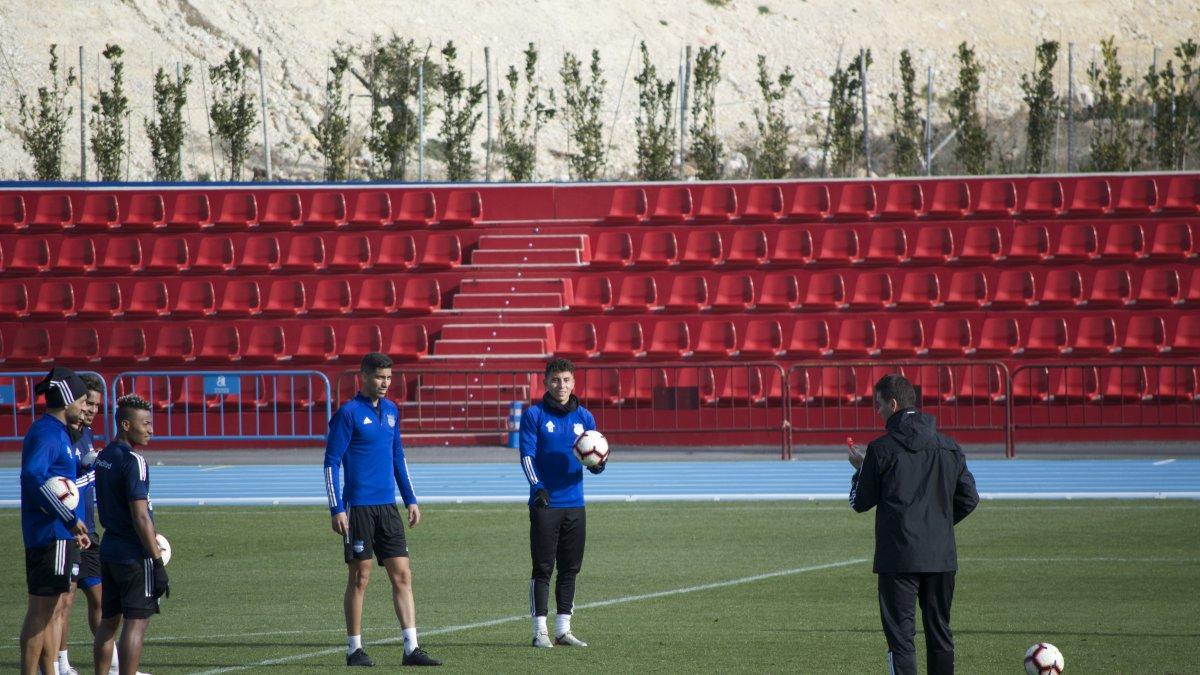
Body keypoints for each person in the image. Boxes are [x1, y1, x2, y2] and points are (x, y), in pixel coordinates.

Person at [848, 374, 979, 675]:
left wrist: (859, 470)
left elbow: (859, 502)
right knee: (940, 632)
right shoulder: (949, 446)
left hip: (899, 557)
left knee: (901, 640)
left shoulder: (880, 450)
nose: (877, 411)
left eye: (878, 404)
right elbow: (969, 498)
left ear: (892, 404)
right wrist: (939, 524)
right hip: (940, 555)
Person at [324, 352, 441, 667]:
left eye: (388, 378)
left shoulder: (391, 411)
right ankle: (354, 649)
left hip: (387, 508)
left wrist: (410, 499)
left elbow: (398, 456)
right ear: (363, 376)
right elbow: (331, 462)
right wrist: (336, 507)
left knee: (403, 574)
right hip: (358, 507)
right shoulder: (347, 414)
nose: (385, 383)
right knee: (360, 577)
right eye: (379, 377)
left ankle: (411, 648)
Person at [519, 358, 605, 649]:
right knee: (543, 567)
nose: (561, 386)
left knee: (570, 567)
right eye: (556, 380)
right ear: (545, 382)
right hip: (545, 505)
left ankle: (562, 629)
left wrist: (596, 466)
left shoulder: (586, 418)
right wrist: (538, 487)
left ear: (574, 383)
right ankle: (539, 631)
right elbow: (527, 456)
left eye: (566, 380)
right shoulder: (534, 415)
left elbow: (594, 454)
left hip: (575, 504)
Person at [20, 367, 92, 675]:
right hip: (51, 533)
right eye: (81, 399)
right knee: (41, 612)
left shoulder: (57, 432)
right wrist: (69, 519)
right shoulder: (49, 433)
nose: (85, 406)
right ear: (68, 400)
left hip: (55, 533)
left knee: (47, 612)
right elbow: (33, 476)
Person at [92, 394, 169, 675]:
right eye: (146, 423)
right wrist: (157, 562)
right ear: (126, 424)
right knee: (136, 623)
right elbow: (140, 515)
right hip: (133, 555)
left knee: (108, 622)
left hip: (109, 548)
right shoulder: (134, 460)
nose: (151, 430)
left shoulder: (104, 456)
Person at [53, 374, 103, 675]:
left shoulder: (86, 434)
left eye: (96, 405)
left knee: (101, 598)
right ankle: (60, 663)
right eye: (88, 403)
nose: (92, 409)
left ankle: (109, 662)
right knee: (65, 601)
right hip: (71, 530)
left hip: (89, 530)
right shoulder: (63, 435)